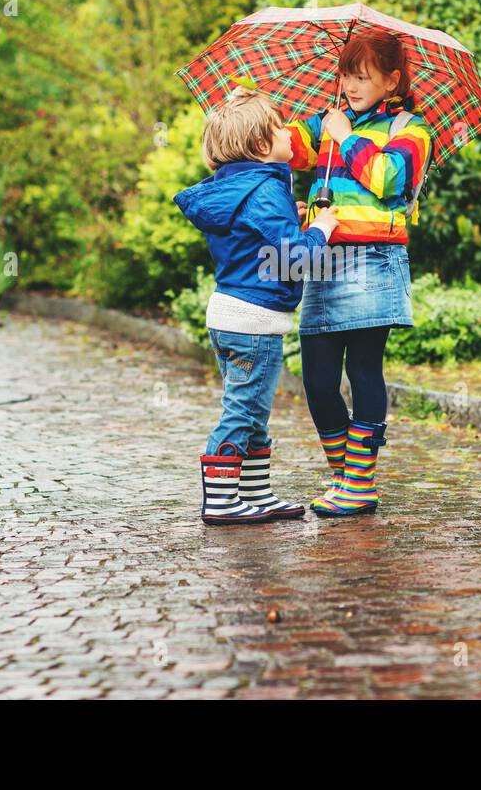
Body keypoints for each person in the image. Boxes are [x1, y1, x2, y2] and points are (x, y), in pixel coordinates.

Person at [284, 31, 435, 516]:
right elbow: (285, 148)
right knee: (317, 379)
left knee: (362, 369)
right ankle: (346, 474)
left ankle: (359, 482)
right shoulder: (327, 122)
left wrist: (346, 139)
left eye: (363, 76)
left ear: (391, 81)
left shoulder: (410, 130)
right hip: (323, 261)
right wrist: (256, 125)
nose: (350, 84)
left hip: (373, 259)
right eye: (346, 74)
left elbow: (390, 179)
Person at [173, 87, 339, 524]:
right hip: (255, 321)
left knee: (254, 413)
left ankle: (256, 493)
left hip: (232, 314)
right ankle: (221, 500)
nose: (290, 132)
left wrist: (291, 214)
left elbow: (256, 237)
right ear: (263, 145)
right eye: (281, 126)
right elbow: (295, 260)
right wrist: (320, 229)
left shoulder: (240, 188)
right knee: (242, 411)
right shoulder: (265, 191)